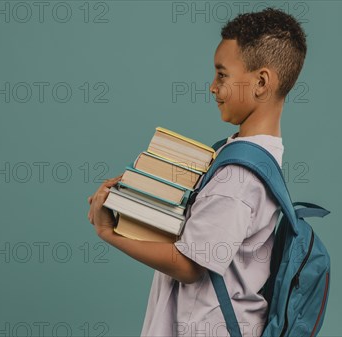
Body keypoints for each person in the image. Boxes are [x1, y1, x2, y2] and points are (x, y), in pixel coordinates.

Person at [87, 7, 307, 337]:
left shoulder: (239, 177)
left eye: (222, 75)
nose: (212, 87)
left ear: (261, 82)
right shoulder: (246, 155)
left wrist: (109, 233)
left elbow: (190, 265)